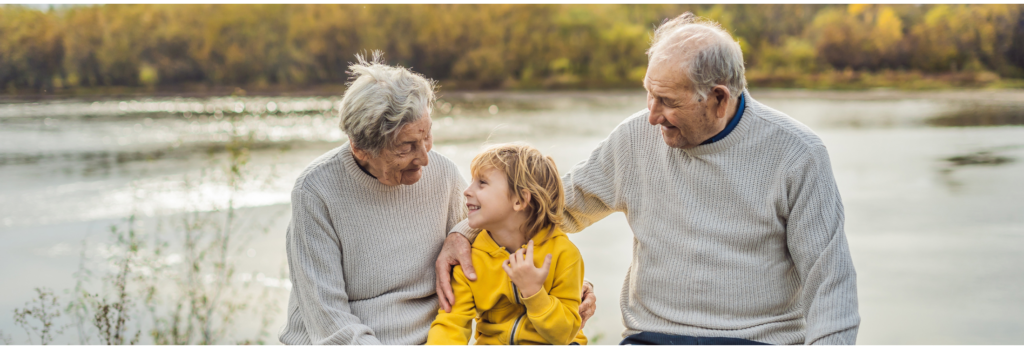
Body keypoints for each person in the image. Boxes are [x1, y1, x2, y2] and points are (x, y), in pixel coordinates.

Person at [436, 13, 860, 345]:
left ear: (718, 99)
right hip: (650, 339)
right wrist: (463, 233)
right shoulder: (637, 137)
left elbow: (831, 285)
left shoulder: (797, 155)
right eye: (649, 94)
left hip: (754, 341)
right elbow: (548, 208)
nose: (652, 115)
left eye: (667, 102)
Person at [279, 52, 596, 345]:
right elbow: (329, 322)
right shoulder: (315, 192)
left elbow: (493, 229)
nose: (425, 159)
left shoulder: (442, 173)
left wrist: (561, 288)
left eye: (426, 136)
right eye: (406, 147)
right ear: (360, 148)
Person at [427, 143, 588, 345]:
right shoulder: (469, 259)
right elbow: (451, 324)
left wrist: (534, 292)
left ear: (520, 200)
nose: (467, 191)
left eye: (482, 182)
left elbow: (565, 334)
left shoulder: (564, 254)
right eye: (471, 181)